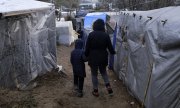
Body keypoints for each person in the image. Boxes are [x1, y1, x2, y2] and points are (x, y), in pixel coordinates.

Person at [85, 19, 115, 97]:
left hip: (93, 57)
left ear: (94, 25)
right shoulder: (106, 35)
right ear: (102, 26)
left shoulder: (91, 35)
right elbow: (110, 47)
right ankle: (109, 87)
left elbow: (87, 47)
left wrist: (86, 55)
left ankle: (95, 91)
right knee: (103, 72)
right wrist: (113, 52)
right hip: (103, 57)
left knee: (94, 74)